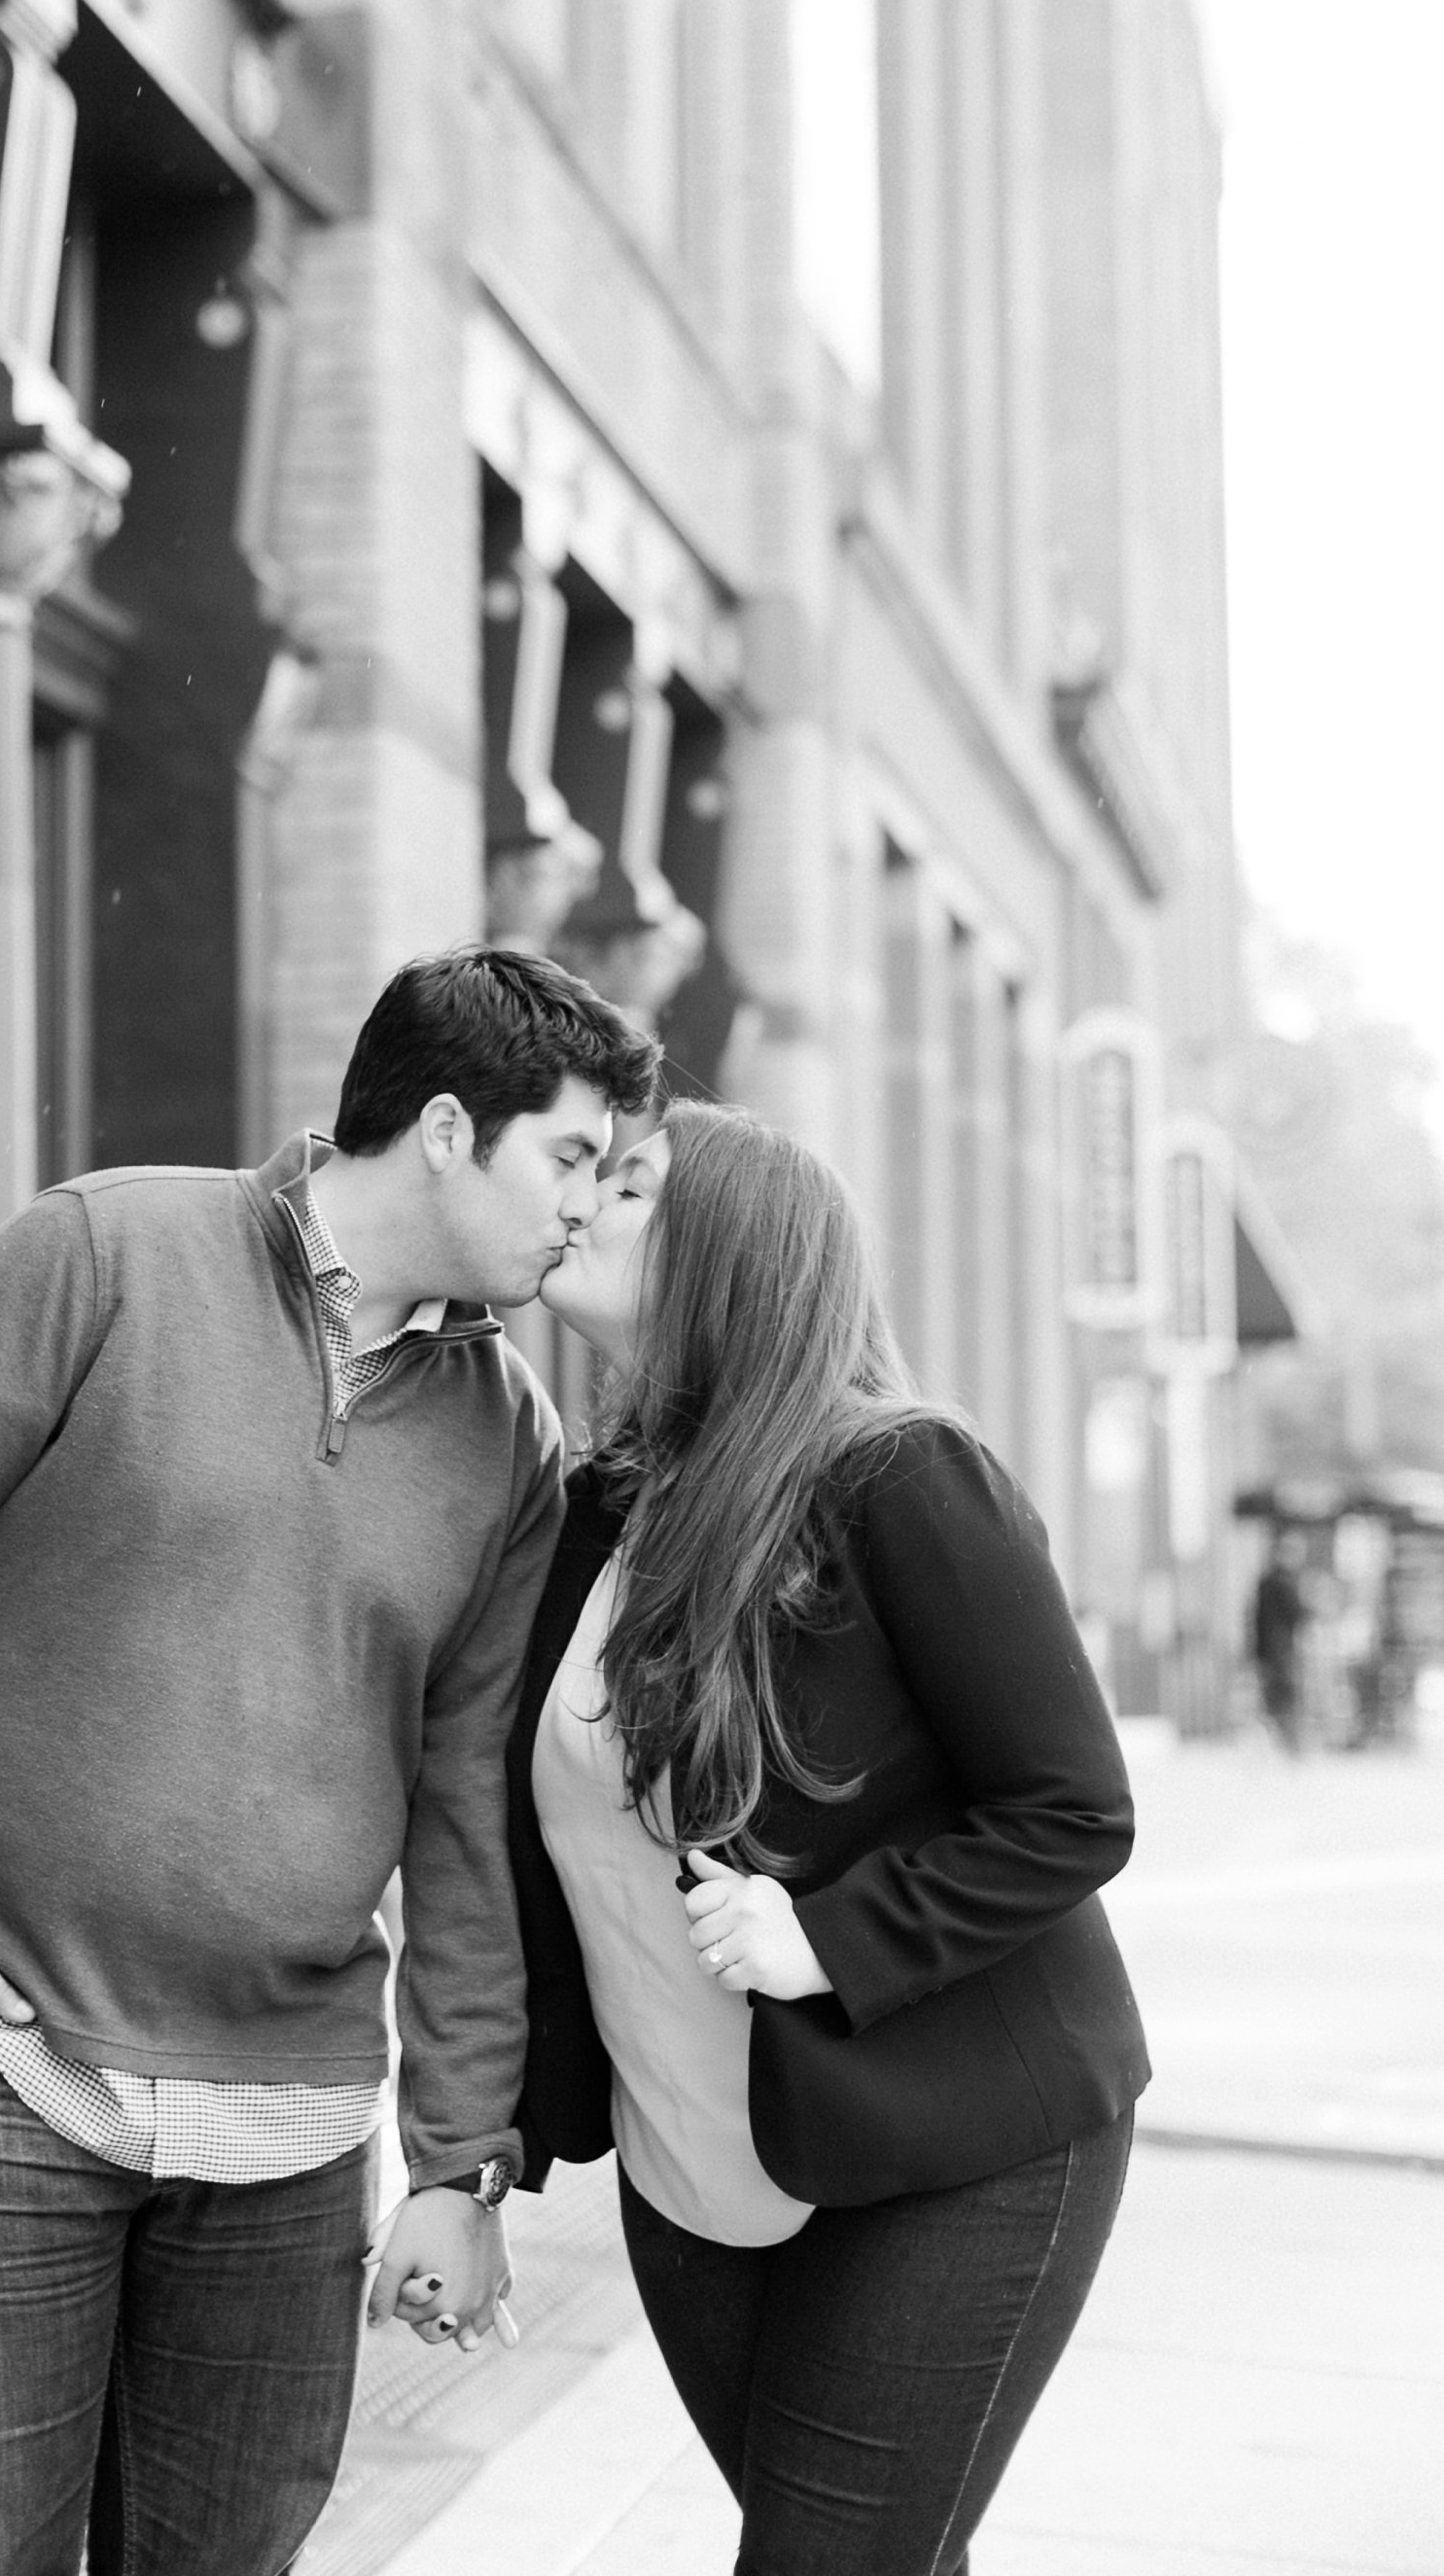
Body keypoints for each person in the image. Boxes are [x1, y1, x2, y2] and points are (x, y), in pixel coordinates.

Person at [0, 947, 659, 2576]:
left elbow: (468, 1803)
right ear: (452, 1127)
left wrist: (459, 2154)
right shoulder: (103, 1250)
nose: (588, 1212)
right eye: (572, 1159)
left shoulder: (509, 1432)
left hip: (289, 2123)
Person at [509, 1102, 1150, 2576]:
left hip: (958, 2143)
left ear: (731, 1248)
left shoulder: (900, 1476)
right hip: (694, 2164)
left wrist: (830, 1936)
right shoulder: (602, 1514)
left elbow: (1074, 1806)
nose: (583, 1202)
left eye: (628, 1183)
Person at [1250, 1538, 1309, 1752]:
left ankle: (1285, 1742)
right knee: (1282, 1696)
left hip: (1276, 1650)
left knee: (1278, 1696)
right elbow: (1293, 1615)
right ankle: (1287, 1742)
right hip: (1278, 1650)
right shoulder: (1280, 1583)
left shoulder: (1274, 1582)